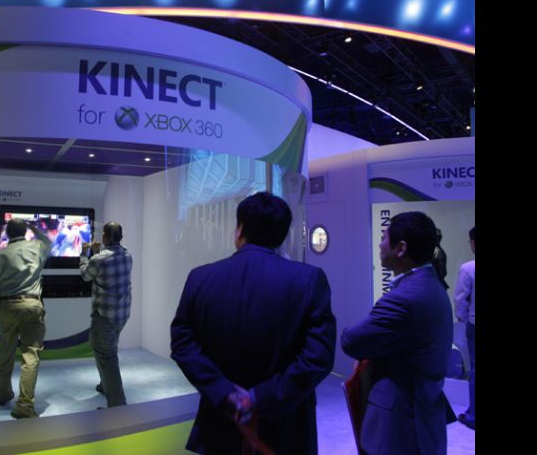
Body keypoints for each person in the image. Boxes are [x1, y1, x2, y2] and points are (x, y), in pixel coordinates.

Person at [170, 192, 336, 454]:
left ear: (239, 230)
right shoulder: (309, 280)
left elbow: (183, 343)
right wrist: (261, 397)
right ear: (283, 235)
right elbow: (318, 357)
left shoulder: (200, 278)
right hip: (285, 427)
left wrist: (225, 392)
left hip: (220, 423)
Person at [341, 212, 453, 454]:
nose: (380, 245)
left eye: (384, 237)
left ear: (401, 248)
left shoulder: (404, 298)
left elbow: (351, 341)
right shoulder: (432, 285)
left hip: (400, 427)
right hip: (423, 418)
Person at [0, 219, 51, 419]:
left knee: (6, 351)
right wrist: (34, 228)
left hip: (6, 307)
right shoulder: (37, 247)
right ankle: (25, 405)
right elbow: (48, 241)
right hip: (32, 305)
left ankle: (3, 394)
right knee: (30, 355)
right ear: (25, 232)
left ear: (7, 234)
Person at [79, 222, 133, 408]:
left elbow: (86, 275)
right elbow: (106, 269)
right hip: (121, 313)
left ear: (105, 237)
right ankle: (105, 385)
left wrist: (84, 253)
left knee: (105, 354)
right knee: (108, 349)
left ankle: (117, 404)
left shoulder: (99, 259)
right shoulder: (127, 255)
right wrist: (96, 252)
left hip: (105, 315)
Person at [454, 226, 475, 430]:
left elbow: (461, 298)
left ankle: (474, 415)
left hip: (474, 324)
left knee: (475, 369)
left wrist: (462, 317)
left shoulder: (468, 268)